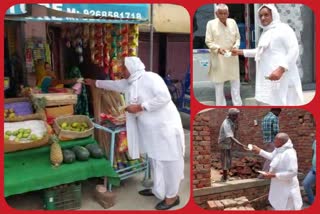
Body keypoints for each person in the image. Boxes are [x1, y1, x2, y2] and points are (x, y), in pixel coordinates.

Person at [84, 56, 185, 210]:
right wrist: (94, 83)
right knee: (156, 161)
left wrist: (141, 107)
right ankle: (159, 190)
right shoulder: (130, 83)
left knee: (169, 162)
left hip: (166, 129)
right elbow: (114, 85)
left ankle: (172, 197)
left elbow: (165, 97)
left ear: (132, 67)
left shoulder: (150, 78)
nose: (121, 71)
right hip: (152, 132)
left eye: (123, 68)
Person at [232, 4, 303, 106]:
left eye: (266, 15)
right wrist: (240, 52)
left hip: (283, 76)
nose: (263, 18)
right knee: (273, 104)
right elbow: (260, 52)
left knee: (286, 103)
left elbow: (294, 50)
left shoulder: (283, 28)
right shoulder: (265, 32)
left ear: (273, 14)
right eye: (260, 16)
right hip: (270, 77)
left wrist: (281, 69)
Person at [251, 133, 303, 210]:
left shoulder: (290, 153)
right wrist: (259, 151)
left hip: (287, 189)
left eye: (276, 140)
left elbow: (293, 172)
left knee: (287, 207)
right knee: (278, 205)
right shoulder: (279, 149)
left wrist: (274, 175)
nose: (274, 141)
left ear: (282, 142)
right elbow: (272, 156)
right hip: (279, 186)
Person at [205, 4, 242, 106]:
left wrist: (236, 46)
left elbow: (238, 38)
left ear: (228, 13)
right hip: (219, 57)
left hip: (232, 56)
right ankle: (220, 105)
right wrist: (218, 49)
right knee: (219, 84)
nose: (223, 16)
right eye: (220, 13)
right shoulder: (211, 24)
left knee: (235, 82)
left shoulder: (232, 22)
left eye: (225, 13)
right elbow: (208, 41)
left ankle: (237, 104)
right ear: (216, 13)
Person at [218, 108, 240, 182]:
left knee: (229, 160)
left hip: (228, 143)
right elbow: (230, 136)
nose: (236, 117)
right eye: (235, 116)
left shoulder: (231, 122)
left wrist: (233, 143)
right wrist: (240, 144)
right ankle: (224, 178)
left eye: (237, 116)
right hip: (224, 144)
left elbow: (234, 133)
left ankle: (226, 177)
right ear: (230, 115)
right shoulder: (226, 123)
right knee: (225, 161)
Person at [259, 108, 281, 177]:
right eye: (278, 112)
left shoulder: (265, 118)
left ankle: (269, 172)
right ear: (275, 111)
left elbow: (262, 130)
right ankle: (263, 174)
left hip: (266, 140)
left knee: (268, 156)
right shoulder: (274, 117)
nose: (278, 114)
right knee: (271, 157)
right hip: (272, 141)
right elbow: (276, 131)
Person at [302, 140, 316, 204]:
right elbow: (313, 153)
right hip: (314, 169)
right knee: (306, 184)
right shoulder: (315, 142)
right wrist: (313, 163)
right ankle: (312, 201)